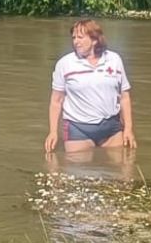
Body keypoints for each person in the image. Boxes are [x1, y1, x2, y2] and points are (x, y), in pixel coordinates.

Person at [43, 19, 136, 153]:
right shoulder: (65, 64)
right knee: (79, 171)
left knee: (122, 168)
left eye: (80, 37)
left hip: (111, 128)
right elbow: (56, 101)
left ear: (95, 40)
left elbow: (124, 97)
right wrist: (52, 132)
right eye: (74, 37)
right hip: (78, 129)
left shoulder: (114, 60)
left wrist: (128, 129)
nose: (76, 41)